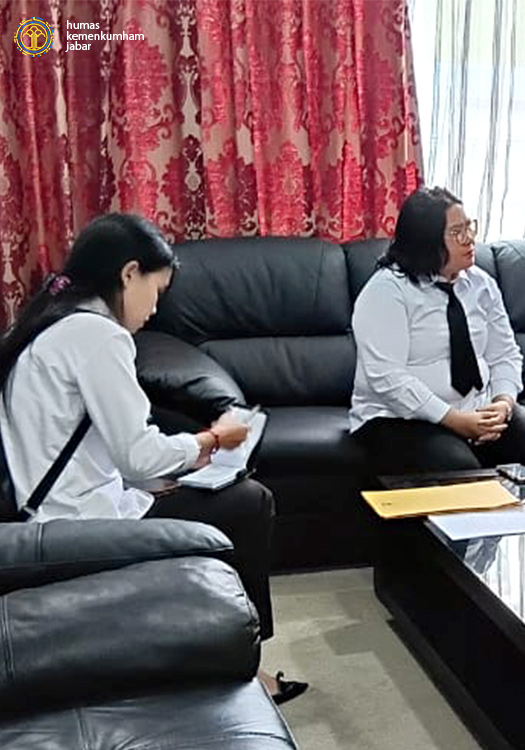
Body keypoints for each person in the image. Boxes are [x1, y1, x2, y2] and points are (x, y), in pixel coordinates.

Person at [0, 213, 306, 704]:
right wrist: (211, 440)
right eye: (156, 291)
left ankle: (223, 646)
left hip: (50, 508)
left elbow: (94, 448)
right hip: (76, 522)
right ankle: (244, 659)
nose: (155, 308)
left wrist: (158, 473)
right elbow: (140, 456)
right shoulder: (99, 337)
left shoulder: (55, 322)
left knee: (216, 498)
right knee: (249, 503)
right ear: (129, 274)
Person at [350, 186, 525, 475]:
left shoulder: (481, 284)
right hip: (400, 420)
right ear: (426, 243)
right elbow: (387, 378)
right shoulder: (387, 290)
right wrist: (454, 420)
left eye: (469, 227)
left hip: (477, 410)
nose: (469, 239)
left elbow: (505, 354)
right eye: (456, 232)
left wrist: (503, 402)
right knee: (461, 470)